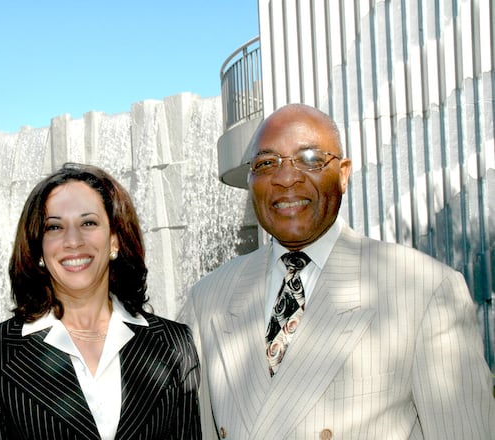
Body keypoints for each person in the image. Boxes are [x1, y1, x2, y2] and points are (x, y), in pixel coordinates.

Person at [180, 103, 495, 439]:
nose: (286, 178)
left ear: (343, 173)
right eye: (267, 163)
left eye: (310, 159)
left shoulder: (425, 290)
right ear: (250, 179)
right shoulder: (208, 299)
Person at [0, 162, 201, 439]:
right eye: (54, 227)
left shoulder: (175, 344)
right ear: (38, 248)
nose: (73, 241)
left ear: (114, 239)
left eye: (88, 223)